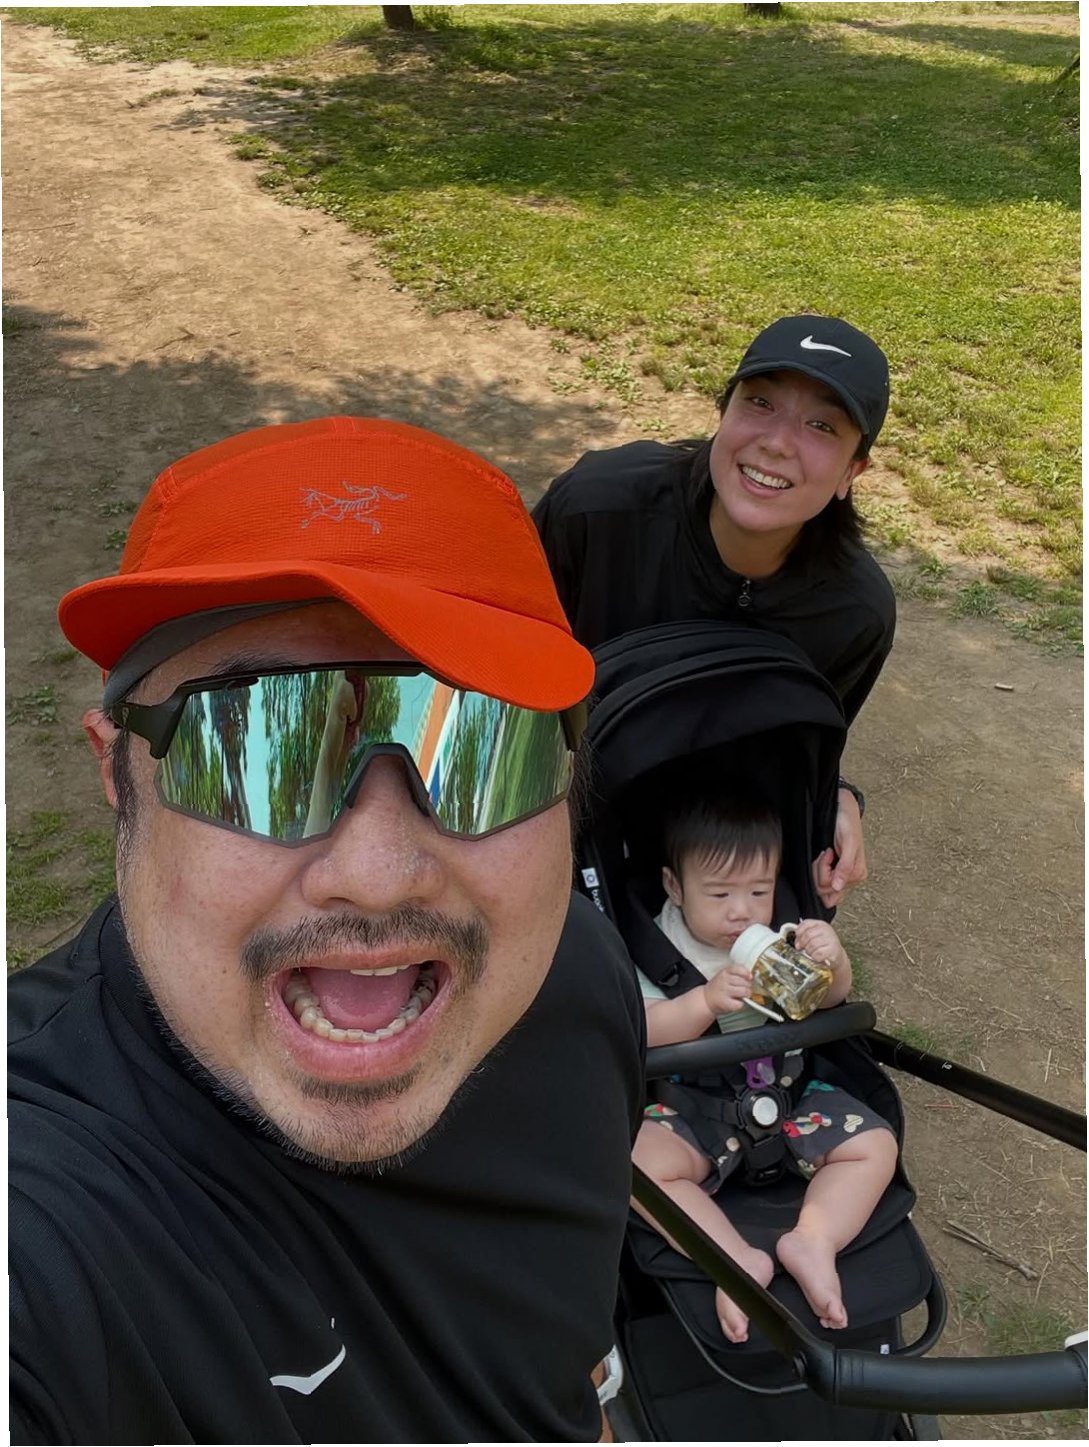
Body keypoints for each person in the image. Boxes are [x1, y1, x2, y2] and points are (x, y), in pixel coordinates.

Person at [9, 416, 645, 1445]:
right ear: (117, 772)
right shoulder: (45, 1207)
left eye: (481, 747)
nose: (377, 876)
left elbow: (557, 1363)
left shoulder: (572, 971)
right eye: (258, 749)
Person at [533, 314, 895, 909]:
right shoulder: (595, 510)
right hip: (545, 804)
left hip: (695, 855)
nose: (777, 442)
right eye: (760, 403)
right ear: (723, 414)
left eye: (821, 426)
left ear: (851, 472)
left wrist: (838, 796)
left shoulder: (854, 614)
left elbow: (796, 747)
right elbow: (495, 683)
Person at [631, 793, 897, 1345]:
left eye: (759, 891)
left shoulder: (781, 937)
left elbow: (832, 1001)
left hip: (791, 1095)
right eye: (720, 894)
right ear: (675, 887)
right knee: (635, 1163)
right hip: (694, 1110)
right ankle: (732, 1259)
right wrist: (701, 1003)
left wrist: (833, 962)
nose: (742, 912)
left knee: (876, 1145)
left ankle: (815, 1238)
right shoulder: (656, 945)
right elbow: (642, 1028)